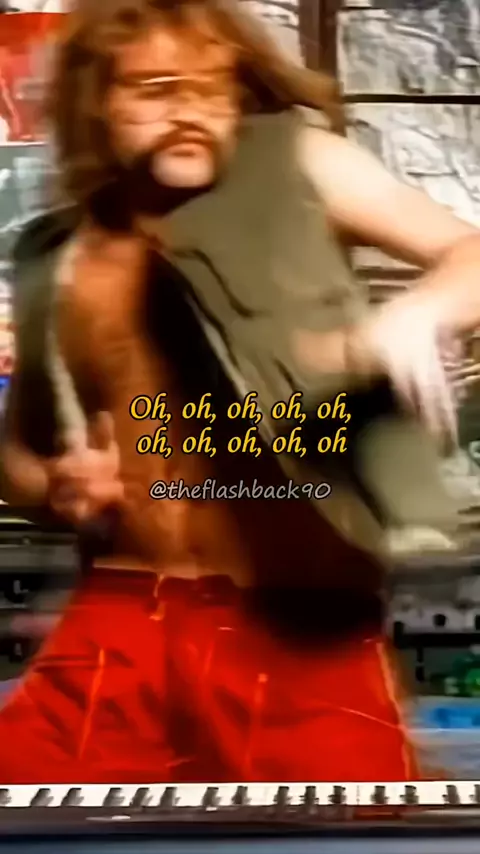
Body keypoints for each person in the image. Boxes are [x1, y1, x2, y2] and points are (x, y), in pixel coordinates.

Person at [1, 0, 480, 786]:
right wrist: (58, 483)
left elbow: (471, 254)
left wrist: (415, 317)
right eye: (158, 89)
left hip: (296, 630)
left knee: (346, 840)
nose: (191, 111)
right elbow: (20, 458)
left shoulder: (298, 162)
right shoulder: (57, 252)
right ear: (97, 98)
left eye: (213, 88)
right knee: (26, 821)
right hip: (120, 620)